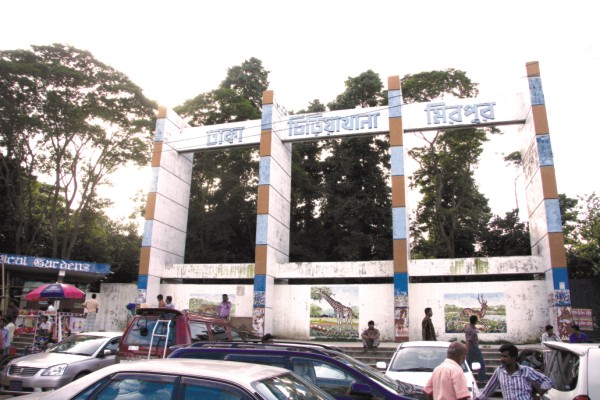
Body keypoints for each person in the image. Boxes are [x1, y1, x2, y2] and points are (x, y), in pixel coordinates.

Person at [478, 343, 553, 400]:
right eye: (501, 356)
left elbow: (548, 381)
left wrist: (539, 393)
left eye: (505, 356)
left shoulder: (526, 370)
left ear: (514, 358)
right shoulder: (499, 371)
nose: (502, 359)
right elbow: (487, 390)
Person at [465, 315, 487, 382]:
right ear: (475, 321)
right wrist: (467, 350)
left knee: (468, 363)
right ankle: (482, 378)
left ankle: (465, 377)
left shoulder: (470, 327)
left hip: (472, 348)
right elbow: (468, 341)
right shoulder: (471, 330)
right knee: (481, 362)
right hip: (473, 348)